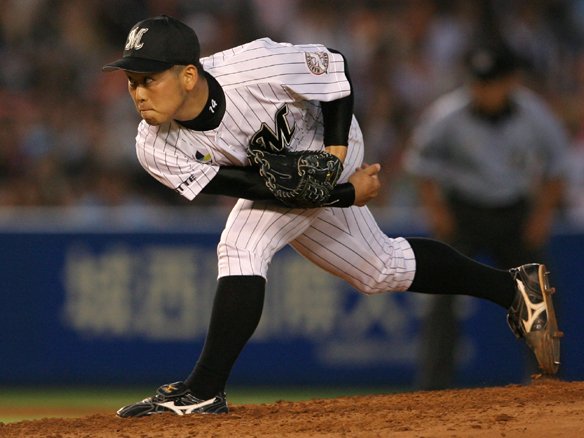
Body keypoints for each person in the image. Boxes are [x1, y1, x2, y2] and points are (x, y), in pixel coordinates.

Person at [102, 16, 562, 417]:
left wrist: (336, 159)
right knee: (381, 267)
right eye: (132, 81)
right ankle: (514, 289)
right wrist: (345, 194)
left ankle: (203, 390)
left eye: (148, 79)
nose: (137, 92)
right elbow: (255, 188)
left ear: (188, 75)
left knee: (242, 244)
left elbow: (335, 69)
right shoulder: (153, 147)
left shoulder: (255, 64)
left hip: (327, 138)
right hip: (295, 180)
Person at [405, 43, 569, 390]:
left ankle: (547, 381)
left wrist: (541, 216)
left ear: (510, 82)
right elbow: (420, 164)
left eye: (491, 82)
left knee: (538, 293)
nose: (484, 90)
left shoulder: (533, 114)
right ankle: (434, 385)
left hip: (514, 214)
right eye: (479, 82)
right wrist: (438, 212)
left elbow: (557, 167)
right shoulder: (448, 113)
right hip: (465, 213)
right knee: (440, 293)